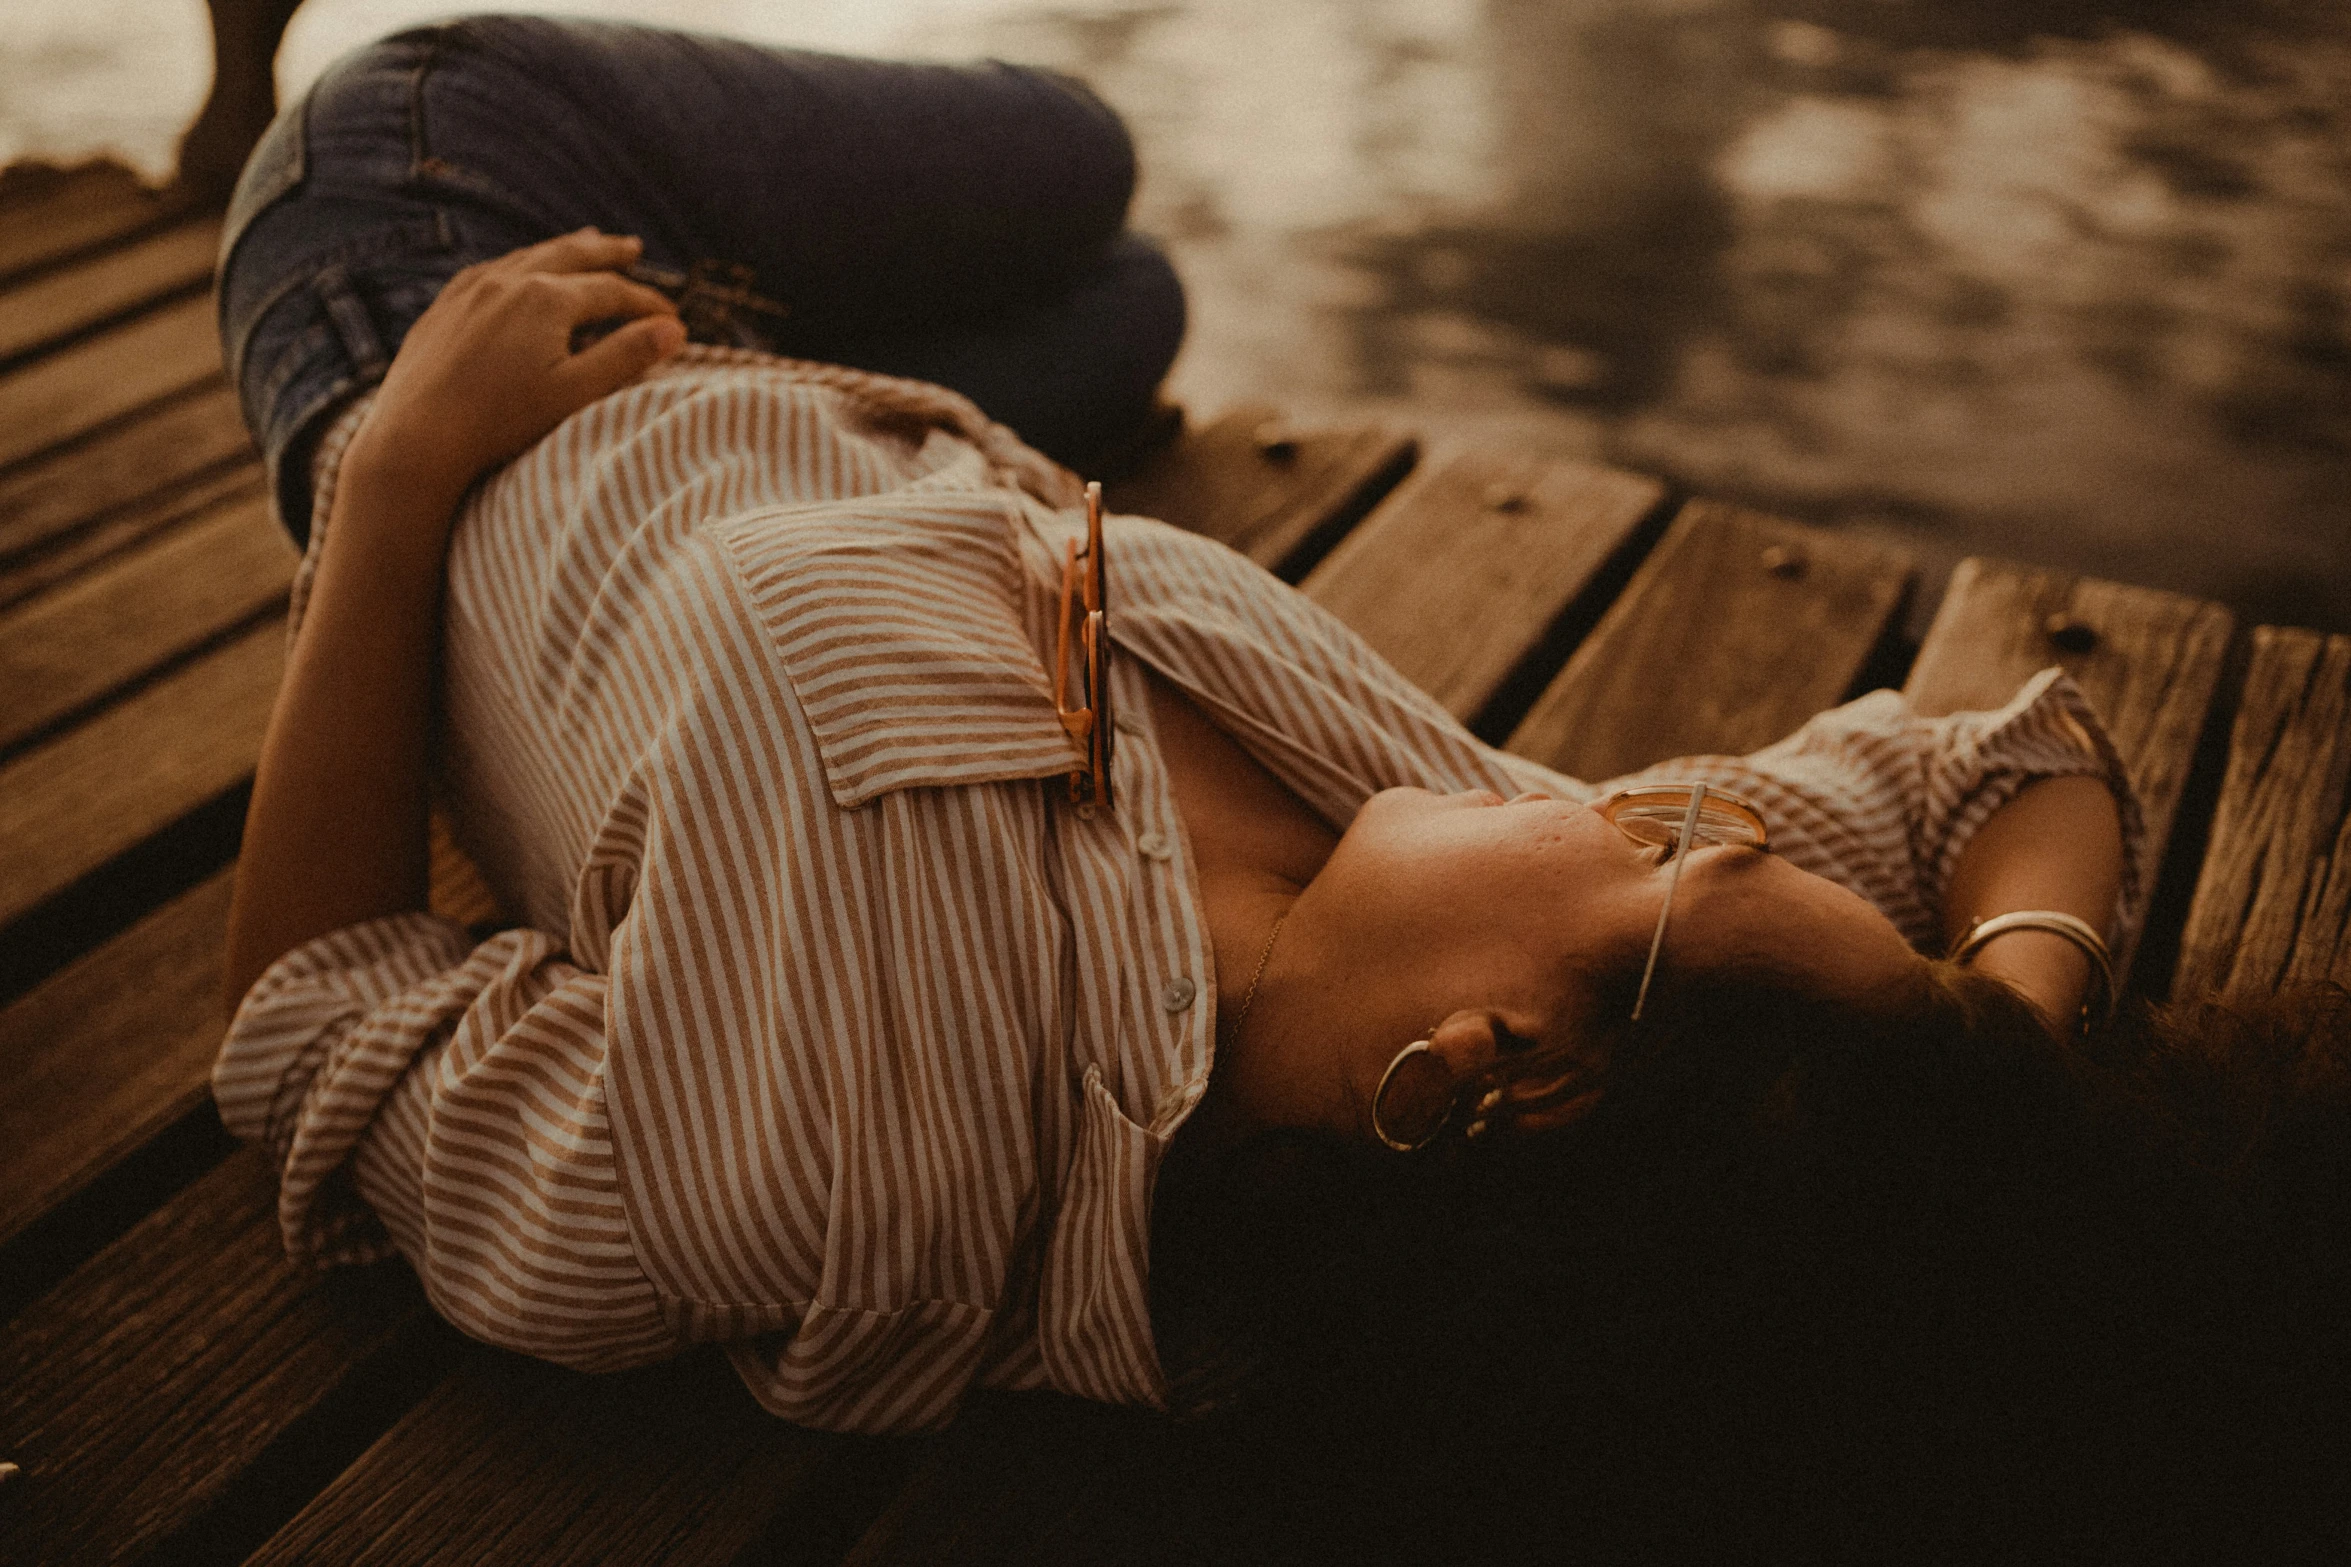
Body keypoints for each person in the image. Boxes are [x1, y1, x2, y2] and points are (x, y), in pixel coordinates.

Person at [212, 22, 2336, 1519]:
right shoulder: (1531, 961)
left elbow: (312, 1029)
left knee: (1066, 152)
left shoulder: (818, 1186)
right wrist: (1992, 1050)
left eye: (1669, 846)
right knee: (1117, 275)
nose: (1650, 797)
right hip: (861, 400)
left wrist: (390, 480)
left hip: (445, 278)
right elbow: (2005, 766)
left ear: (1497, 1074)